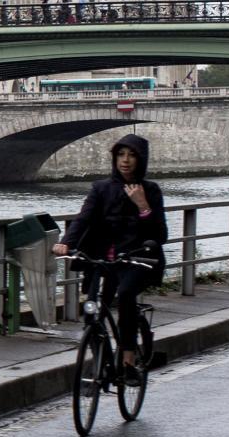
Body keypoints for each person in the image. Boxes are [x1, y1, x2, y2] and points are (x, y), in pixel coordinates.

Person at [53, 132, 167, 380]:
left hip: (137, 260)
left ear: (141, 160)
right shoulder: (101, 188)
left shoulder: (150, 190)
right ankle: (98, 358)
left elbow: (160, 234)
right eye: (121, 155)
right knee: (93, 307)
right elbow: (83, 219)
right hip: (103, 260)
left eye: (132, 155)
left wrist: (143, 206)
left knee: (125, 296)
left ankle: (127, 360)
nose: (125, 160)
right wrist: (65, 243)